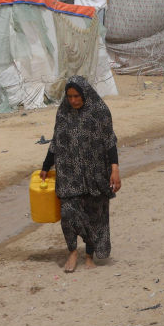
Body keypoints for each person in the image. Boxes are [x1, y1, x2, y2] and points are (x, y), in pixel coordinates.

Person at [41, 76, 121, 273]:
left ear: (85, 94)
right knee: (68, 213)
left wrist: (115, 169)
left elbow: (109, 141)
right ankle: (73, 252)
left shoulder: (100, 112)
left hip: (96, 174)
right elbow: (56, 143)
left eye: (77, 96)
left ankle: (89, 256)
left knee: (94, 216)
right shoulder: (63, 112)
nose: (73, 100)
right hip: (69, 174)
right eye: (69, 96)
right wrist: (45, 166)